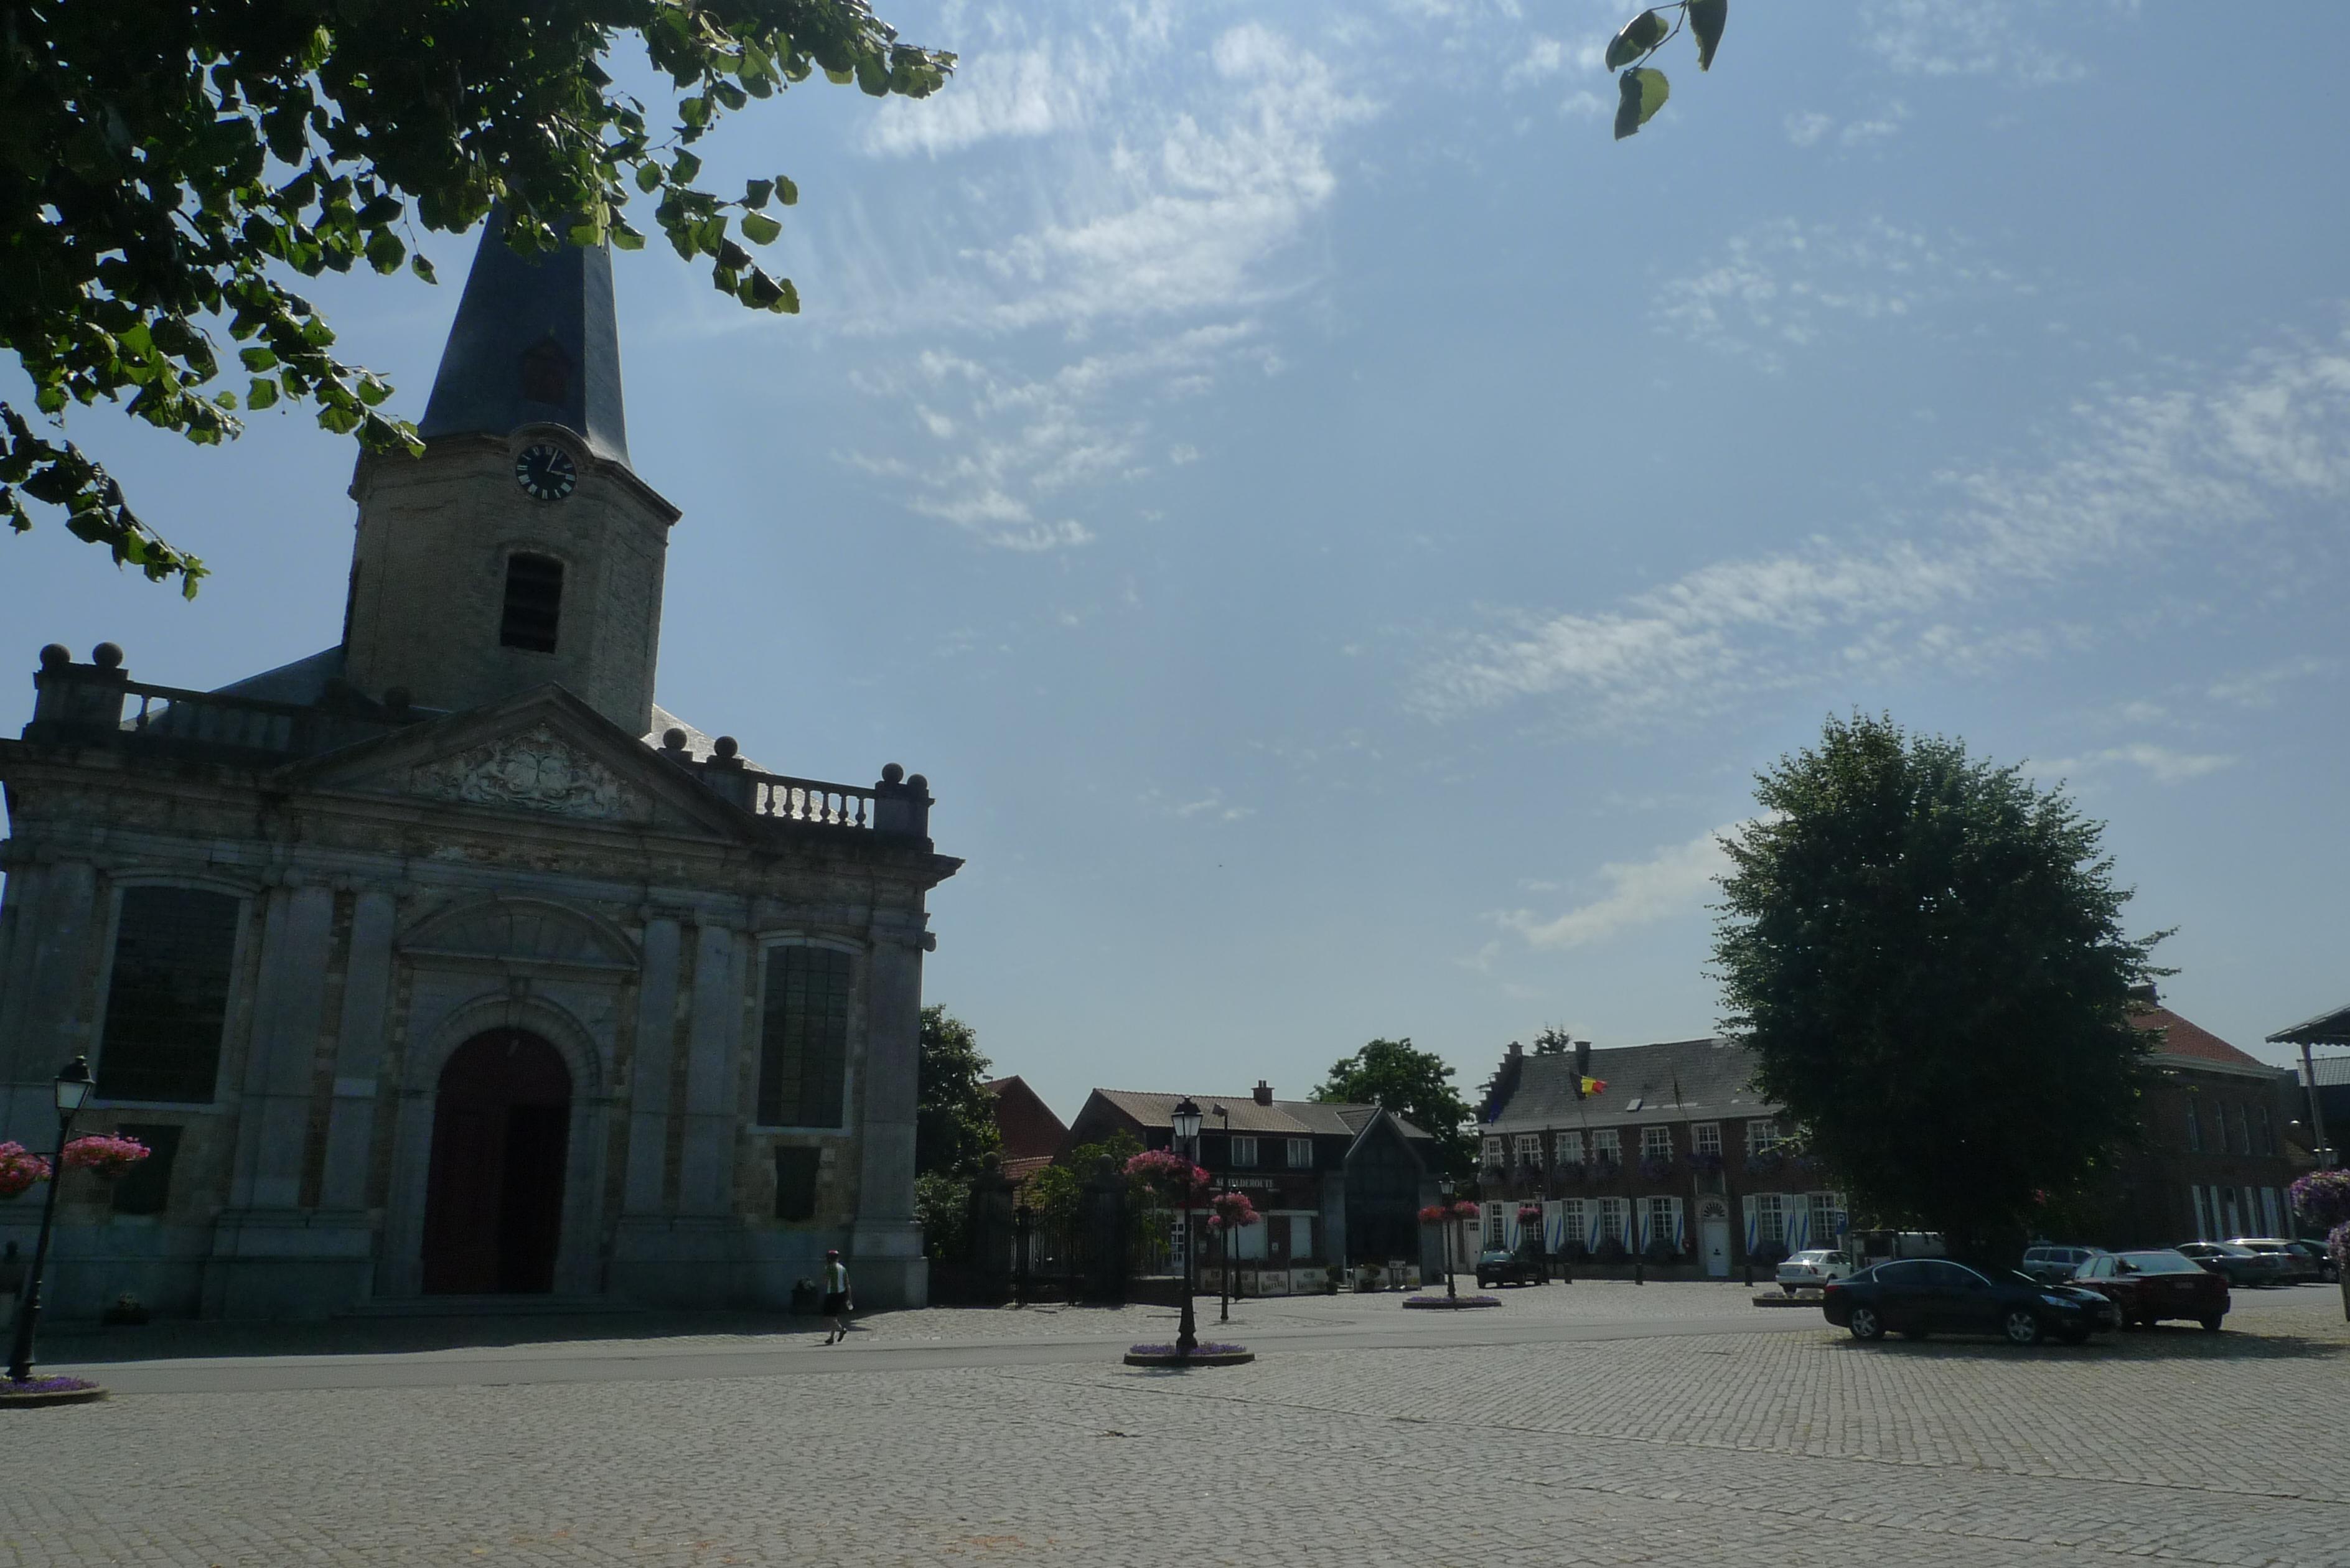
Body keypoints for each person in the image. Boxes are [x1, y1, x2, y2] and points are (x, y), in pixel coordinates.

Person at [821, 1249, 851, 1345]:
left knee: (828, 1317)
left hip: (832, 1294)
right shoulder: (843, 1268)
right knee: (834, 1316)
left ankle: (841, 1329)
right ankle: (831, 1338)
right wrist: (849, 1297)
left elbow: (825, 1281)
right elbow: (847, 1284)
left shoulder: (829, 1268)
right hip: (842, 1294)